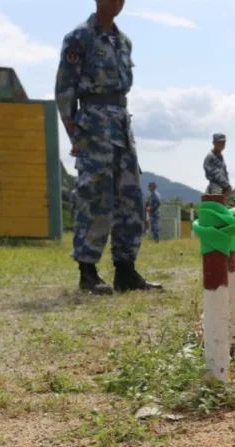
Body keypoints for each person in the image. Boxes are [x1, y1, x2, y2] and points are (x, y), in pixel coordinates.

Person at [55, 0, 161, 295]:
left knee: (130, 200)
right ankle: (87, 273)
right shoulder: (79, 37)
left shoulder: (123, 40)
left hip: (121, 125)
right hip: (93, 124)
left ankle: (126, 272)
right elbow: (64, 91)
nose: (117, 2)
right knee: (95, 198)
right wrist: (75, 135)